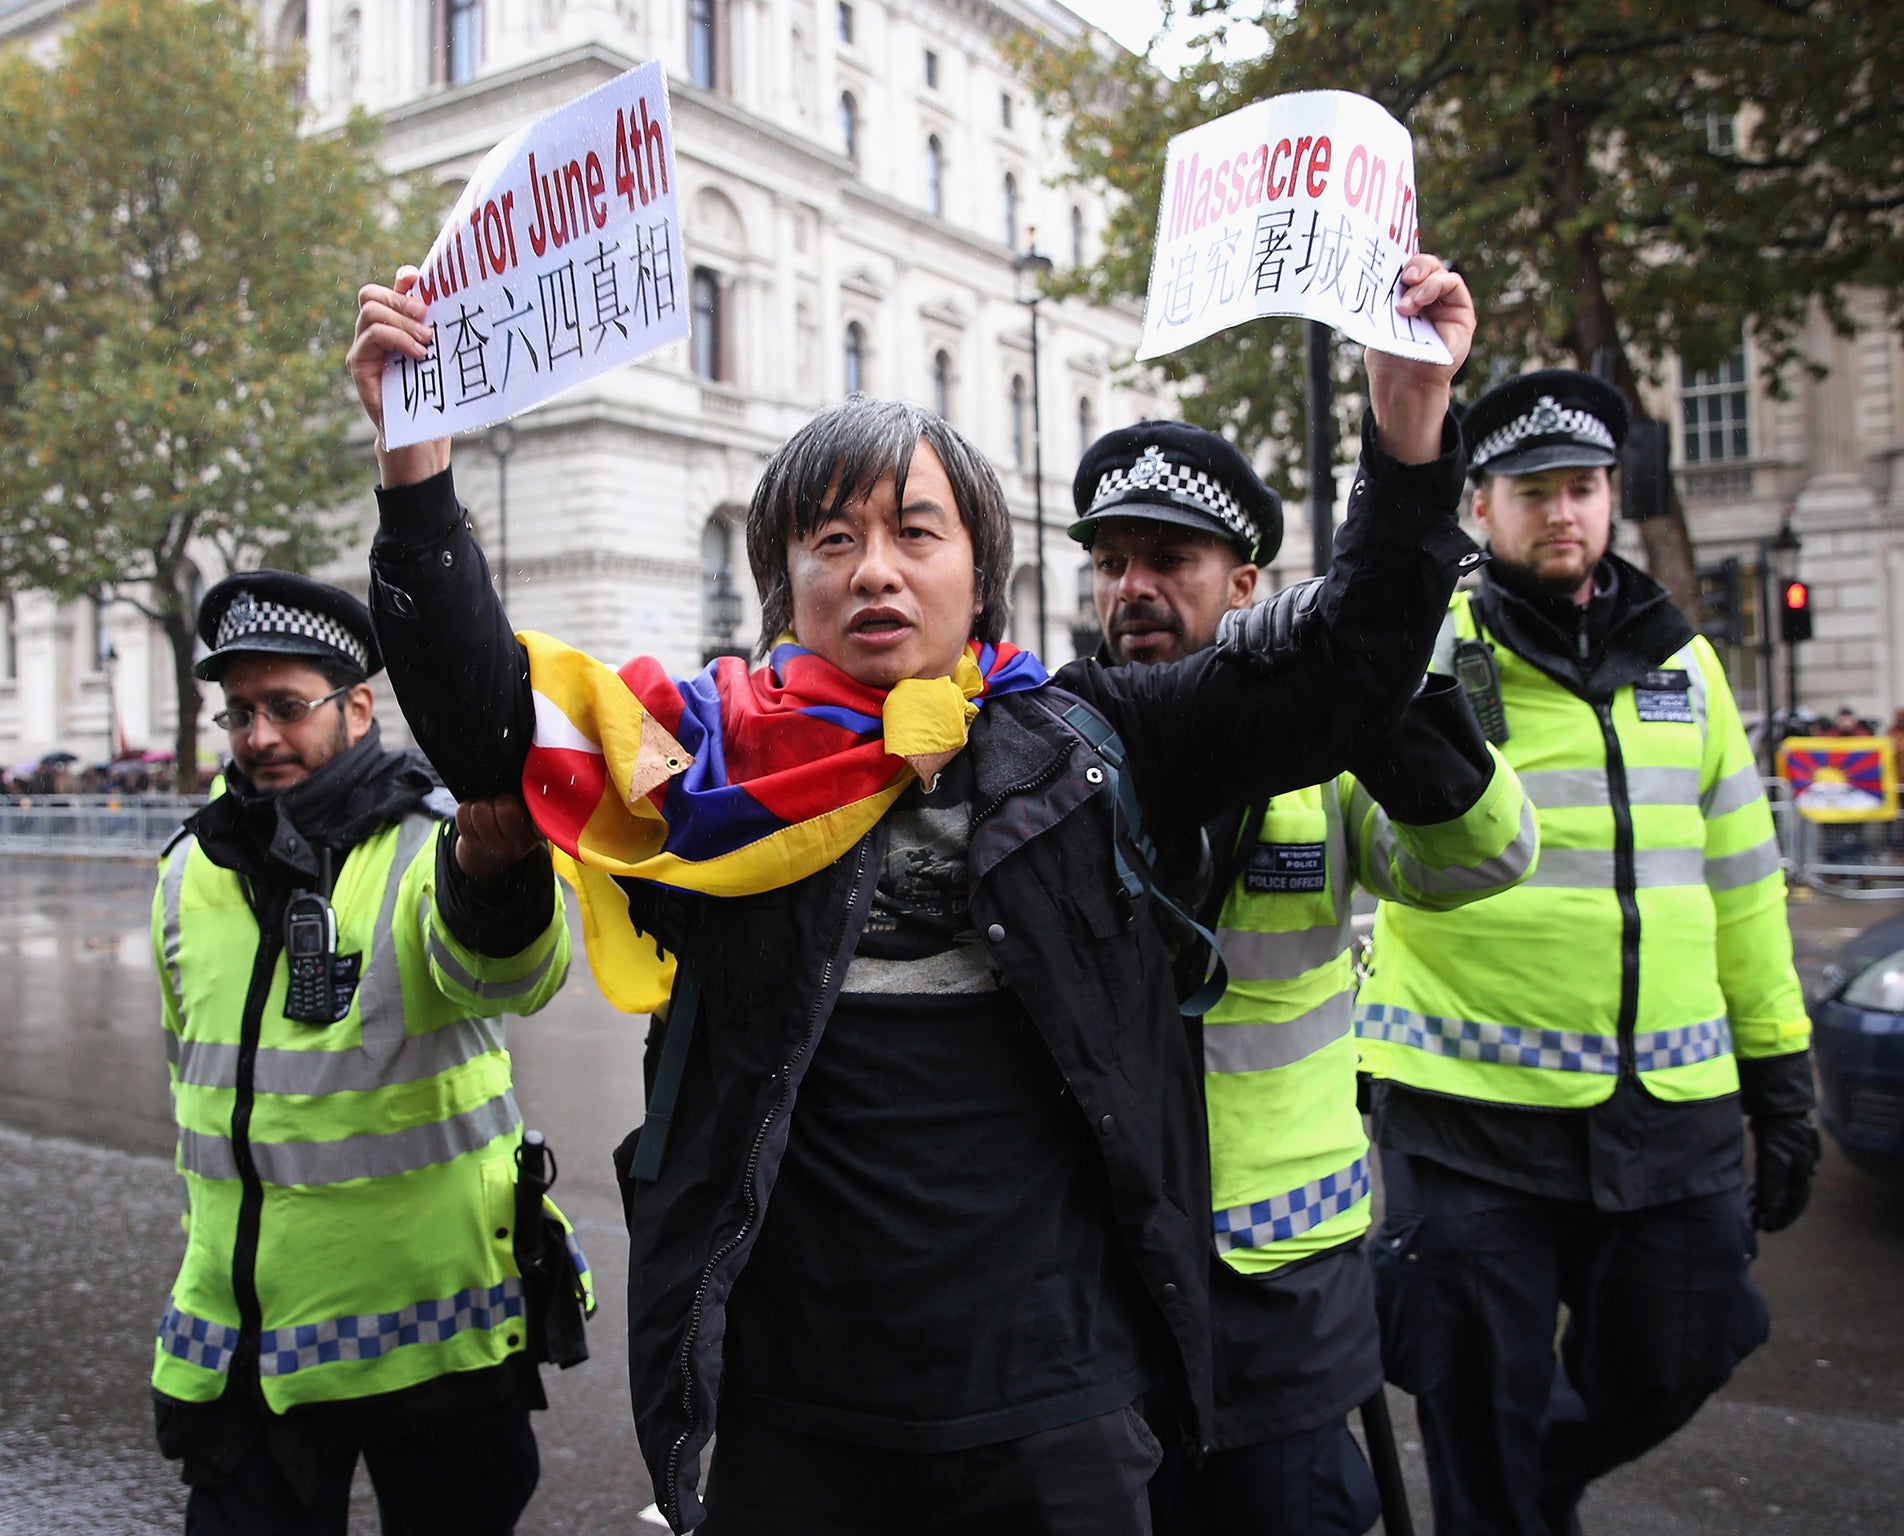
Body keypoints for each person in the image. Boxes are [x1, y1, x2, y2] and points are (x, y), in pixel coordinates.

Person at [346, 251, 1477, 1535]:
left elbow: (1351, 666)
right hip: (792, 1410)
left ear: (977, 574)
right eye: (834, 539)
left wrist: (1405, 426)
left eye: (912, 532)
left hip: (1061, 1411)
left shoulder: (1094, 739)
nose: (874, 569)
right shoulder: (692, 764)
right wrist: (414, 464)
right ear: (789, 585)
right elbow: (486, 722)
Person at [1357, 369, 1819, 1536]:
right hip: (1467, 1116)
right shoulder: (1422, 656)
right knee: (1476, 1414)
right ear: (1478, 508)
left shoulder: (1685, 664)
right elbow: (1364, 843)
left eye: (1582, 487)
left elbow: (1743, 885)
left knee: (1687, 1344)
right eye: (1531, 491)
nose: (1561, 512)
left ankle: (1538, 1479)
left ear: (1612, 497)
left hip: (1665, 1107)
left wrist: (1778, 1073)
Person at [1073, 422, 1536, 1536]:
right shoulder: (1056, 740)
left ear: (1243, 585)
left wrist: (1371, 697)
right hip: (1094, 1266)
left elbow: (1483, 857)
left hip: (1278, 1275)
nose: (1132, 589)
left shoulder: (1320, 758)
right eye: (1111, 562)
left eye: (1167, 562)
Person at [149, 571, 574, 1536]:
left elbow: (510, 974)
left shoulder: (435, 843)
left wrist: (489, 874)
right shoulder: (185, 870)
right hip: (244, 1350)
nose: (259, 736)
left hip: (434, 1347)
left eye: (287, 707)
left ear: (356, 707)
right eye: (240, 711)